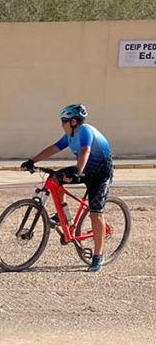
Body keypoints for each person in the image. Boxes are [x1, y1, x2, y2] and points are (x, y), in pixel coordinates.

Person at [21, 104, 114, 272]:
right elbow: (54, 148)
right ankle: (63, 216)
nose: (61, 125)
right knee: (54, 179)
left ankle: (98, 255)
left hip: (100, 174)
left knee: (95, 213)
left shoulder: (85, 130)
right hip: (84, 168)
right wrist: (32, 161)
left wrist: (78, 171)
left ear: (73, 122)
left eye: (63, 121)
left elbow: (85, 150)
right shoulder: (70, 136)